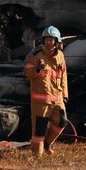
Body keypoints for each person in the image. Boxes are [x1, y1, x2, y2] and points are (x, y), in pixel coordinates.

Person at [23, 25, 69, 158]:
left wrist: (65, 94)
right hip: (41, 102)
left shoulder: (60, 55)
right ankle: (37, 156)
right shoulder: (36, 55)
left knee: (62, 121)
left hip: (57, 99)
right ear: (43, 40)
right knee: (39, 130)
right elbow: (26, 72)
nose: (49, 42)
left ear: (56, 41)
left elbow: (63, 75)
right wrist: (36, 69)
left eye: (52, 39)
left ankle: (48, 144)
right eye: (47, 39)